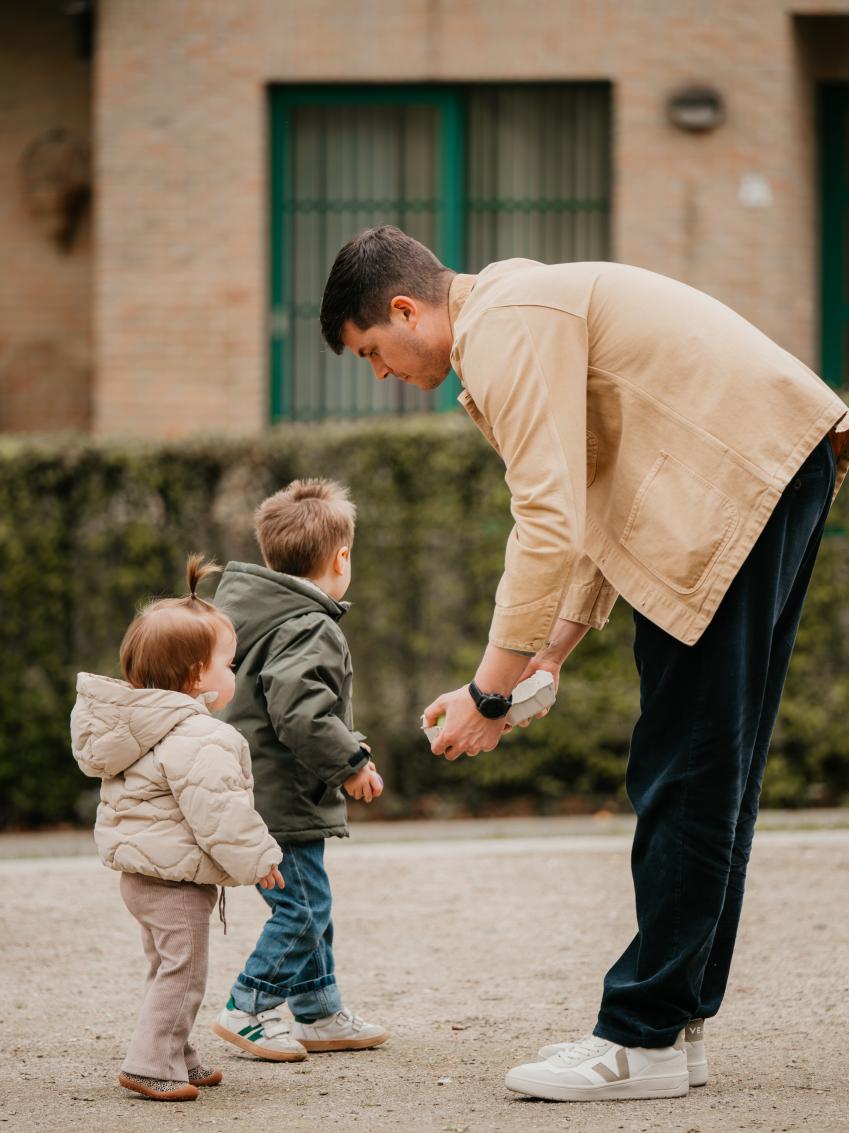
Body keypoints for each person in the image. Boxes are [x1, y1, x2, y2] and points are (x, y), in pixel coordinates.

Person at [320, 225, 849, 1102]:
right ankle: (673, 1023)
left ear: (406, 310)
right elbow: (595, 503)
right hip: (771, 466)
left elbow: (547, 518)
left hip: (736, 484)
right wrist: (549, 657)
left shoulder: (502, 325)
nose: (379, 373)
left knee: (685, 767)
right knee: (715, 766)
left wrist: (490, 690)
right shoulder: (522, 306)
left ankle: (641, 1036)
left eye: (371, 349)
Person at [70, 555, 284, 1103]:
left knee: (167, 968)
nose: (233, 673)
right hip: (175, 882)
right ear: (196, 675)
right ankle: (149, 1065)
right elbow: (219, 812)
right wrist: (260, 857)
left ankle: (176, 1054)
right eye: (228, 664)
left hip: (143, 875)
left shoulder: (140, 728)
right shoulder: (200, 736)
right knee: (184, 971)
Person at [212, 478, 389, 1060]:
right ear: (341, 558)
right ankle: (249, 1004)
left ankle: (318, 1010)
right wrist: (351, 762)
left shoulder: (243, 614)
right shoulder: (309, 624)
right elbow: (300, 711)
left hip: (250, 784)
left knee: (308, 901)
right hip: (282, 792)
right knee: (303, 908)